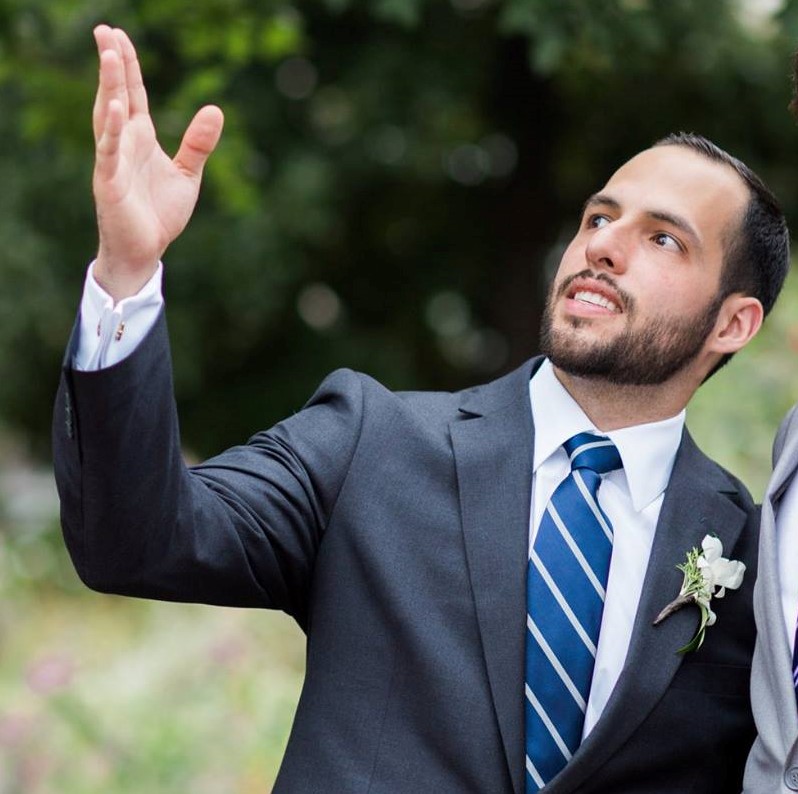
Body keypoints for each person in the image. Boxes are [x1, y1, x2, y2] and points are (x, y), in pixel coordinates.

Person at [53, 25, 789, 793]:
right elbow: (133, 542)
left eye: (664, 239)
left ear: (733, 323)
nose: (603, 247)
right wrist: (127, 274)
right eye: (599, 218)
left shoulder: (751, 550)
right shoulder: (368, 442)